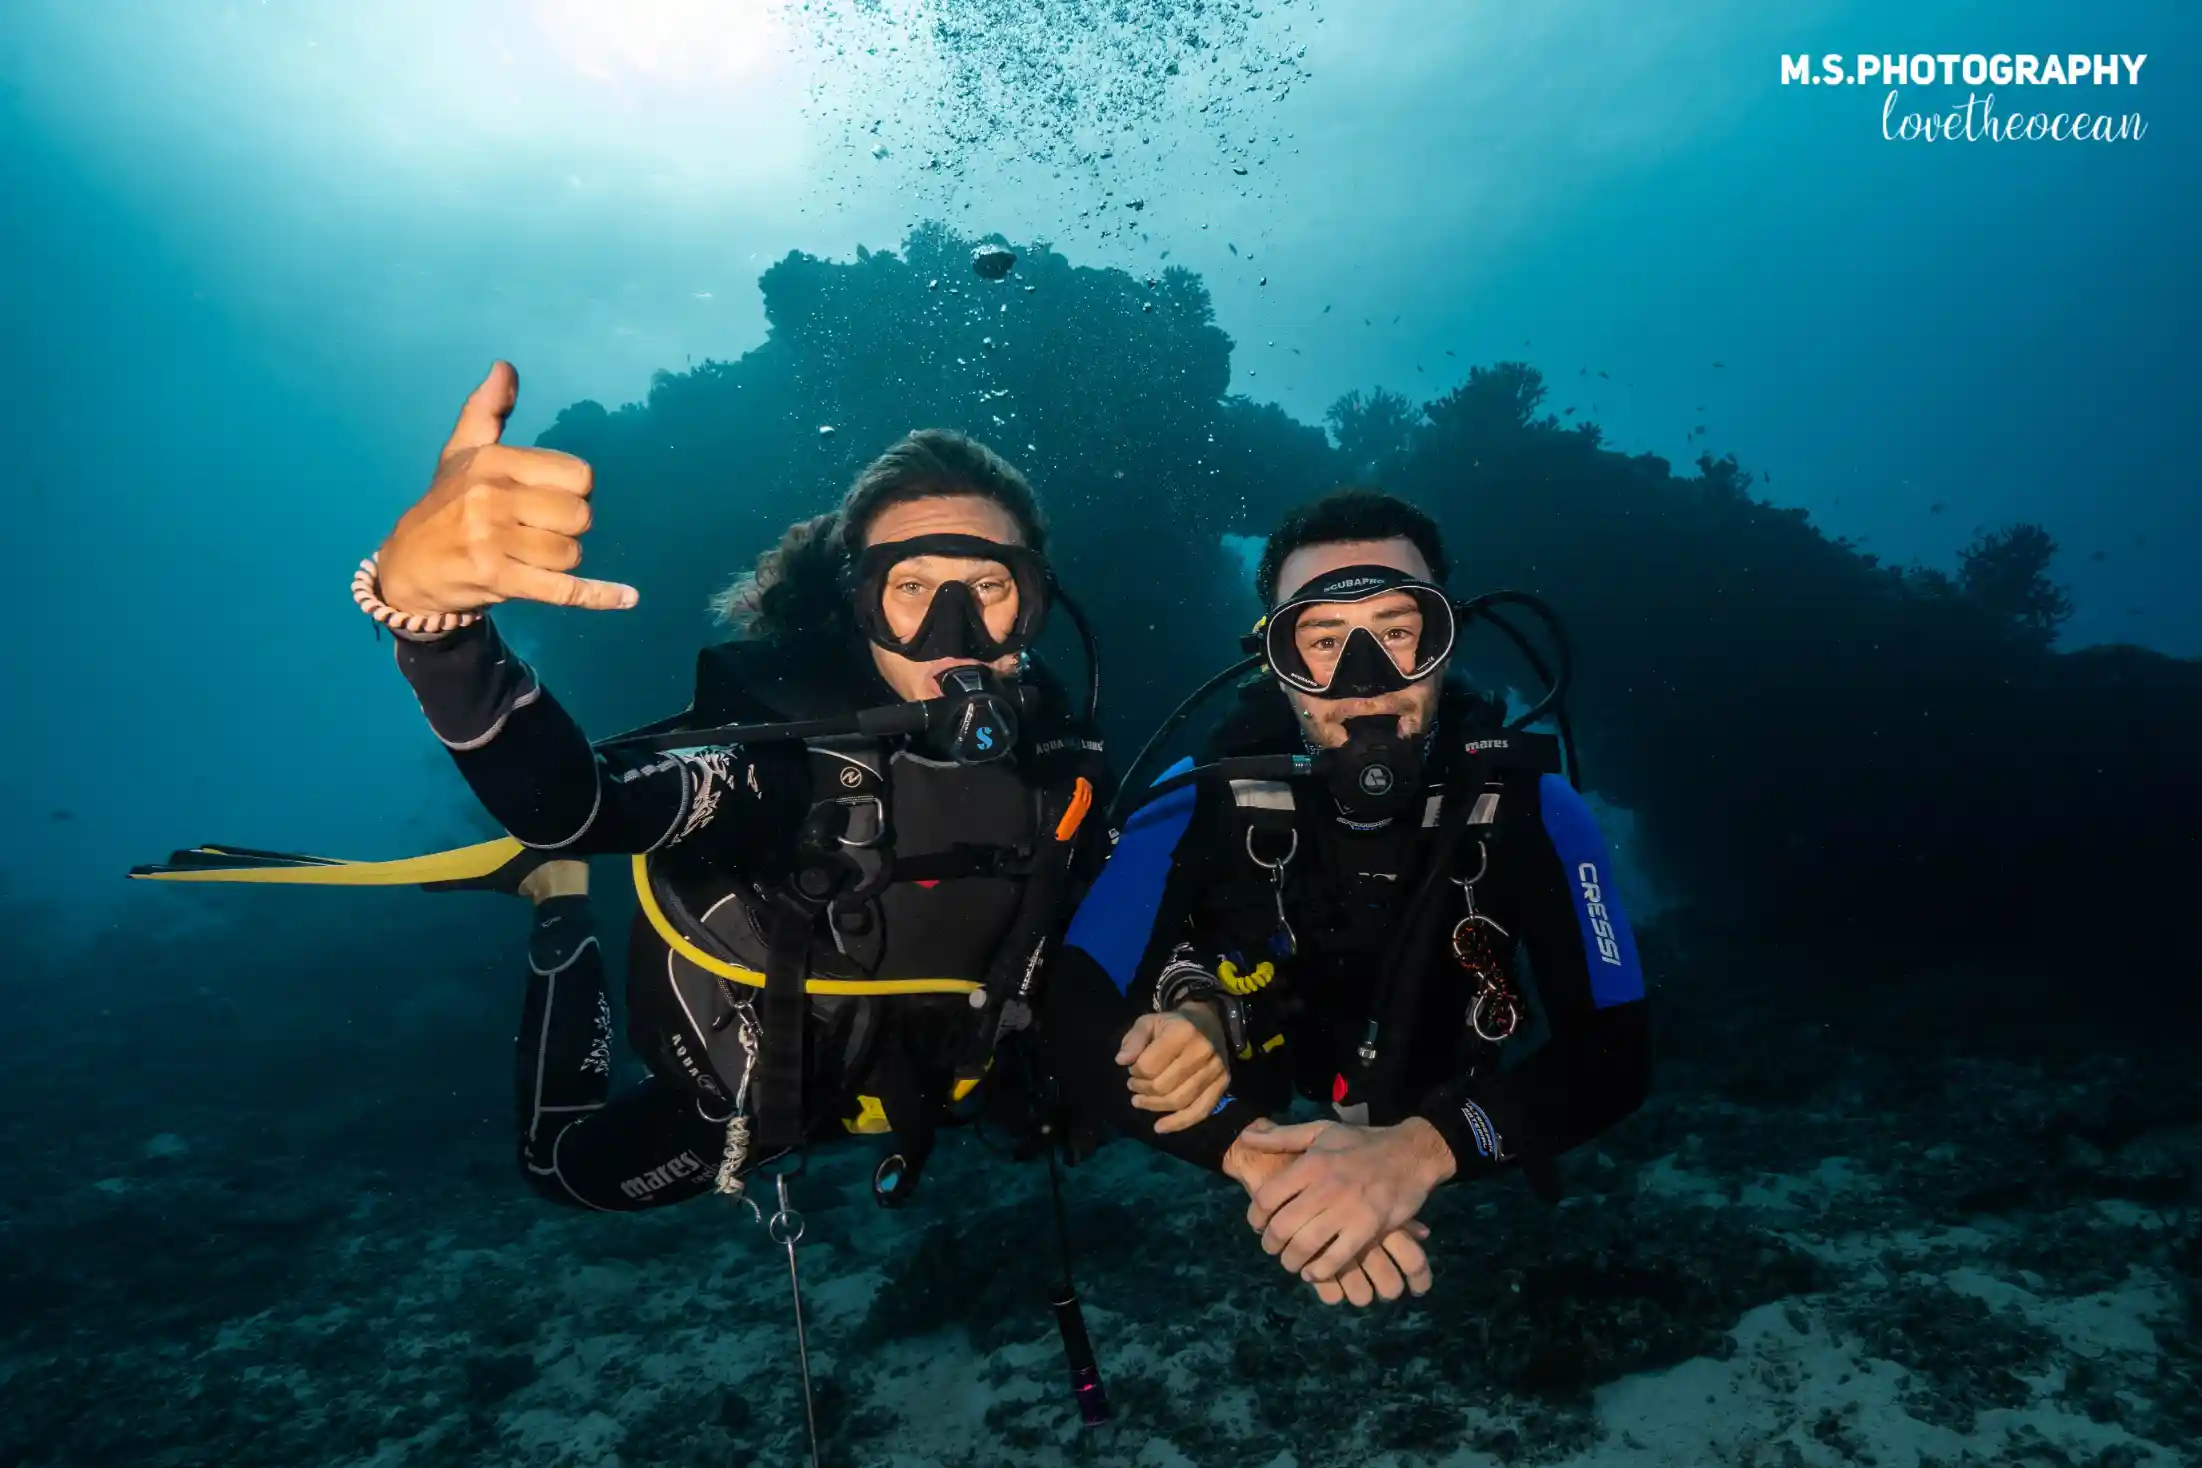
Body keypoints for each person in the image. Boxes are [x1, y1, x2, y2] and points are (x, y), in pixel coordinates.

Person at [360, 361, 1113, 1212]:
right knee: (568, 1172)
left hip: (947, 1074)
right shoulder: (788, 758)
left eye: (986, 588)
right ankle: (560, 907)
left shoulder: (1067, 754)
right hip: (754, 1095)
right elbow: (570, 806)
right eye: (910, 590)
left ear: (1036, 602)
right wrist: (439, 632)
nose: (953, 634)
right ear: (861, 605)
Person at [1045, 487, 1652, 1308]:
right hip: (1270, 1064)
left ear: (1445, 643)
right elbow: (1072, 1008)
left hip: (1440, 1081)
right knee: (1195, 1015)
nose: (1366, 683)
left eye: (1400, 632)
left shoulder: (1538, 810)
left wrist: (1417, 1155)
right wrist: (1259, 1157)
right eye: (1324, 642)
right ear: (1276, 663)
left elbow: (1614, 1051)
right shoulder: (1193, 799)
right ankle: (1209, 1013)